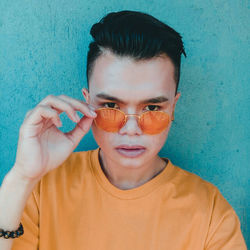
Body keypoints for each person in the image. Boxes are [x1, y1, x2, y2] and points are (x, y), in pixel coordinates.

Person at [0, 10, 247, 250]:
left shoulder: (211, 213)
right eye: (110, 105)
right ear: (87, 103)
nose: (131, 129)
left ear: (173, 107)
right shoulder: (41, 188)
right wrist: (21, 177)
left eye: (152, 107)